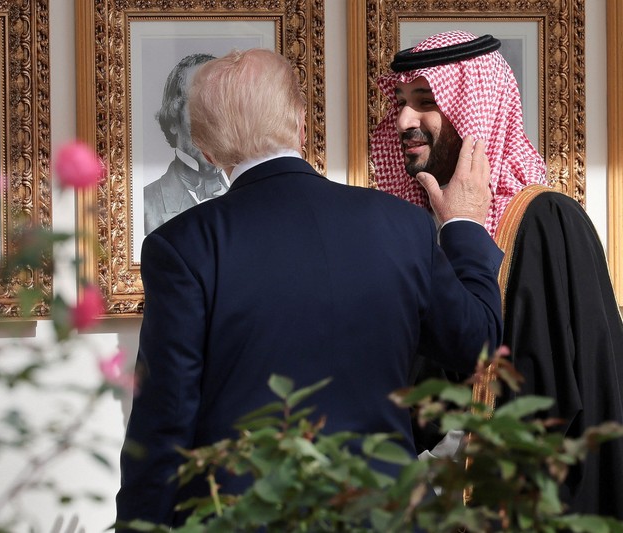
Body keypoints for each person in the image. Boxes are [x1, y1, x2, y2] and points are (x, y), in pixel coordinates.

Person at [116, 47, 503, 529]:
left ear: (208, 149)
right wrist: (464, 227)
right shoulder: (404, 226)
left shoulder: (181, 246)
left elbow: (164, 423)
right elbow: (480, 349)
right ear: (301, 123)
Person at [370, 30, 623, 518]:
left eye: (425, 101)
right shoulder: (411, 230)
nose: (404, 120)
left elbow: (556, 397)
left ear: (475, 112)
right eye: (400, 102)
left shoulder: (544, 221)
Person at [143, 53, 230, 234]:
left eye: (219, 104)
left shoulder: (249, 197)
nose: (214, 118)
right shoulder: (145, 203)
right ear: (173, 120)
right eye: (200, 106)